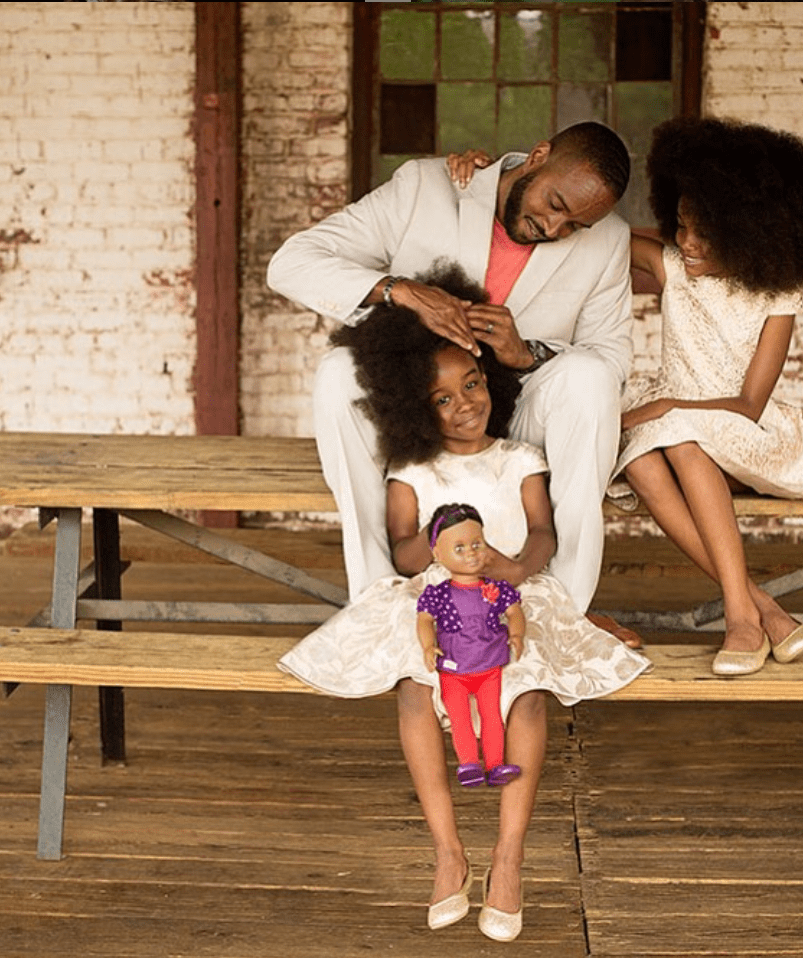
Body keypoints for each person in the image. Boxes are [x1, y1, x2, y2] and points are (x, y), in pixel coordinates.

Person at [277, 264, 650, 941]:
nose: (463, 404)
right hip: (437, 597)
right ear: (415, 409)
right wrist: (444, 546)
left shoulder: (519, 457)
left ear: (492, 382)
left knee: (526, 688)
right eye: (442, 399)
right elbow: (402, 549)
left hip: (510, 593)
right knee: (415, 687)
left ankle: (509, 857)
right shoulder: (412, 472)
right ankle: (448, 851)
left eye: (471, 384)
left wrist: (511, 566)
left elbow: (541, 534)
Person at [267, 122, 635, 622]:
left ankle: (559, 610)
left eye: (573, 226)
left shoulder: (610, 240)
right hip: (417, 416)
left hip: (518, 420)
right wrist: (400, 290)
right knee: (337, 372)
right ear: (538, 155)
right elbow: (291, 264)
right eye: (554, 204)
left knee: (589, 379)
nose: (553, 228)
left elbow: (610, 357)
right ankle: (380, 603)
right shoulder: (426, 186)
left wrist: (525, 353)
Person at [607, 116, 803, 676]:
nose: (688, 242)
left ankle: (742, 617)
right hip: (676, 436)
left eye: (706, 231)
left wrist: (669, 408)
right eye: (682, 224)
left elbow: (749, 404)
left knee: (678, 441)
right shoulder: (675, 266)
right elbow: (594, 229)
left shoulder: (779, 293)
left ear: (750, 230)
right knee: (644, 457)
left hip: (744, 435)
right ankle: (760, 608)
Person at [418, 502, 525, 789]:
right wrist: (428, 647)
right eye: (459, 548)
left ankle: (495, 765)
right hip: (454, 669)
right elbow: (425, 620)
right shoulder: (438, 594)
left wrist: (517, 634)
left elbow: (515, 611)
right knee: (460, 717)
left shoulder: (497, 588)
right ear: (437, 554)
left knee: (492, 716)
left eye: (477, 544)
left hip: (490, 665)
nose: (471, 554)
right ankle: (468, 764)